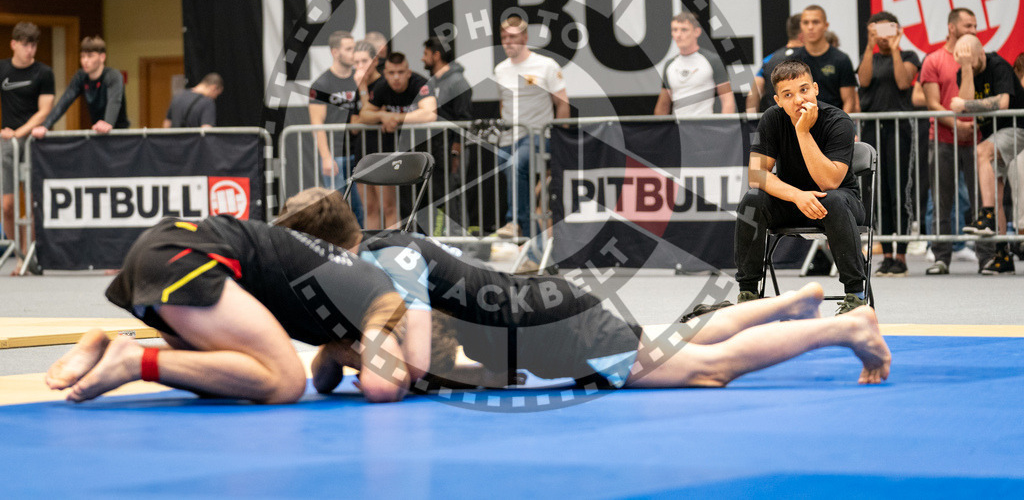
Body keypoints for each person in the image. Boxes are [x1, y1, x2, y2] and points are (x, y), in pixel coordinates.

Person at [279, 187, 891, 391]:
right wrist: (337, 349)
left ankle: (842, 327)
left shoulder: (389, 263)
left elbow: (416, 361)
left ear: (324, 250)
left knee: (705, 371)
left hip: (553, 332)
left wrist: (344, 352)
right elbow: (331, 373)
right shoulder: (379, 253)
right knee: (665, 341)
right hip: (548, 313)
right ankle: (787, 302)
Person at [44, 208, 414, 404]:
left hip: (168, 253)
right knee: (284, 383)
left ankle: (104, 349)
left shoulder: (341, 287)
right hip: (187, 262)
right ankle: (132, 359)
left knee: (236, 378)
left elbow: (323, 378)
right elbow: (382, 386)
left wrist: (339, 353)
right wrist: (397, 365)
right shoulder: (385, 297)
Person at [734, 60, 868, 314]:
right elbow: (756, 174)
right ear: (777, 101)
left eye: (804, 90)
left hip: (841, 202)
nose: (798, 100)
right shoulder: (772, 119)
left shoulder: (839, 121)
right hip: (794, 201)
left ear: (816, 89)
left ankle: (855, 296)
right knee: (752, 199)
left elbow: (829, 182)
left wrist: (803, 132)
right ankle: (748, 293)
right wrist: (797, 196)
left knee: (832, 199)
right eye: (788, 95)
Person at [493, 14, 570, 239]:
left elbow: (562, 104)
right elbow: (503, 104)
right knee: (510, 170)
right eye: (504, 37)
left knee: (516, 164)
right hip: (511, 138)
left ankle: (513, 222)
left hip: (538, 135)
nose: (508, 41)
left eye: (513, 37)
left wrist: (560, 141)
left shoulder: (546, 65)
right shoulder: (500, 69)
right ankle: (528, 243)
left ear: (525, 37)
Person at [952, 36, 1024, 274]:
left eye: (972, 62)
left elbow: (1003, 102)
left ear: (981, 53)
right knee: (997, 190)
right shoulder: (965, 70)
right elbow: (965, 102)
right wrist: (966, 68)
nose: (969, 67)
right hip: (994, 135)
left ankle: (988, 215)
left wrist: (966, 105)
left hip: (1016, 128)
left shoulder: (997, 65)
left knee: (982, 151)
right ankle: (1003, 256)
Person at [856, 12, 921, 276]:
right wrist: (871, 45)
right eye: (877, 30)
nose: (883, 35)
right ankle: (887, 254)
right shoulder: (869, 56)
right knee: (877, 194)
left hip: (900, 131)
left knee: (899, 191)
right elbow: (864, 80)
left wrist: (895, 47)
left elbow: (903, 81)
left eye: (888, 28)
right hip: (874, 129)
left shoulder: (908, 57)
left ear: (897, 29)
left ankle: (902, 255)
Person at [919, 8, 981, 275]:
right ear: (952, 28)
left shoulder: (981, 59)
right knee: (942, 201)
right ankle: (941, 258)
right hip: (942, 140)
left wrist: (972, 125)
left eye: (975, 26)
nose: (974, 31)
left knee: (982, 202)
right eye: (968, 26)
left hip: (977, 140)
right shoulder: (933, 60)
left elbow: (989, 96)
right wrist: (957, 125)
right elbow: (933, 103)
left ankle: (988, 257)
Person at [361, 52, 437, 228]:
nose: (396, 77)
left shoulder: (420, 83)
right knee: (396, 206)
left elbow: (429, 113)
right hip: (395, 153)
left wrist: (395, 117)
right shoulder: (381, 86)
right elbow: (364, 114)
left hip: (423, 151)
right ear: (385, 73)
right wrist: (382, 115)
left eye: (401, 72)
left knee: (427, 202)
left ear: (408, 72)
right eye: (391, 73)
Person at [0, 22, 54, 256]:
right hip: (8, 144)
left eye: (33, 45)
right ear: (13, 44)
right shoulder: (2, 69)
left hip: (32, 142)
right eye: (24, 45)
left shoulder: (43, 73)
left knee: (31, 205)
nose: (29, 50)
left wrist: (19, 132)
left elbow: (44, 111)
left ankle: (28, 253)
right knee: (8, 206)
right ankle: (16, 252)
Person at [308, 30, 363, 227]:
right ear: (335, 52)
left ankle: (362, 249)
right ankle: (339, 249)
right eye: (348, 49)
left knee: (359, 209)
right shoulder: (322, 84)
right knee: (338, 207)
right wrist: (326, 157)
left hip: (359, 153)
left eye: (355, 48)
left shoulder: (359, 79)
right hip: (336, 155)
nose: (353, 53)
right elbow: (317, 123)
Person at [422, 36, 473, 234]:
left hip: (453, 149)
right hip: (438, 148)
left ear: (436, 55)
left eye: (425, 54)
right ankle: (448, 237)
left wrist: (456, 152)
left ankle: (462, 244)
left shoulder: (458, 82)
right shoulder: (433, 82)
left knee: (455, 196)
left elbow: (463, 120)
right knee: (444, 196)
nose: (422, 59)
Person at [31, 36, 128, 139]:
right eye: (82, 56)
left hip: (119, 135)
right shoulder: (81, 76)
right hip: (98, 133)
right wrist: (45, 125)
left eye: (90, 56)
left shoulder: (113, 76)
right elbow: (64, 101)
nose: (85, 61)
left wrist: (108, 122)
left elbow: (114, 101)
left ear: (102, 57)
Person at [654, 11, 734, 117]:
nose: (678, 35)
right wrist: (659, 132)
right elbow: (663, 106)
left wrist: (725, 130)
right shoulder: (669, 65)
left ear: (697, 32)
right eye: (675, 30)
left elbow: (727, 100)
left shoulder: (712, 60)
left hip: (705, 127)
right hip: (678, 130)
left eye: (684, 30)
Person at [798, 5, 858, 113]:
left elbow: (849, 101)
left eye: (815, 22)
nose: (810, 27)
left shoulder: (841, 59)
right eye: (806, 23)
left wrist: (841, 126)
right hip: (801, 124)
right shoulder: (794, 60)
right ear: (801, 25)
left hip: (833, 124)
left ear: (826, 25)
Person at [353, 40, 384, 228]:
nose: (359, 67)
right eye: (356, 62)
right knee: (369, 207)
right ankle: (372, 248)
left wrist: (363, 88)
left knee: (387, 206)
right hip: (363, 151)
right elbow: (355, 123)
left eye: (364, 61)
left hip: (383, 150)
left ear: (375, 61)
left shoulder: (384, 84)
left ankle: (393, 247)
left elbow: (367, 115)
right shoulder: (357, 88)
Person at [746, 14, 803, 113]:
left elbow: (753, 96)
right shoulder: (814, 58)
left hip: (776, 122)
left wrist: (751, 124)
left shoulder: (769, 60)